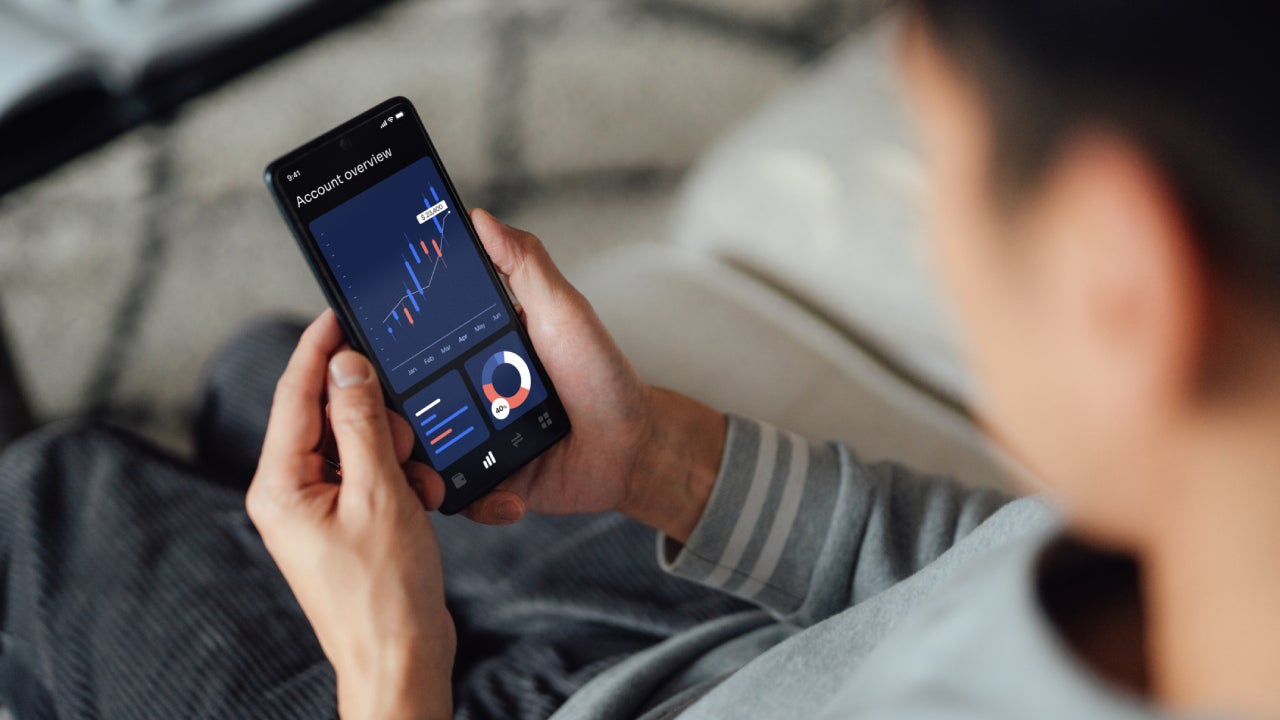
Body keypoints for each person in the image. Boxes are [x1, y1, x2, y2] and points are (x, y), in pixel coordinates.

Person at [3, 1, 1279, 718]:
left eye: (937, 159)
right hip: (710, 652)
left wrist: (392, 670)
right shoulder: (1218, 549)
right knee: (275, 380)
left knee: (48, 501)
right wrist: (662, 460)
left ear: (1124, 281)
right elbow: (979, 575)